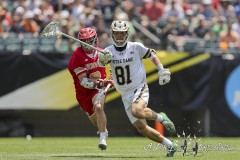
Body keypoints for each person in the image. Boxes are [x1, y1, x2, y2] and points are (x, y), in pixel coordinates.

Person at [98, 20, 177, 157]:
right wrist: (102, 59)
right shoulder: (108, 51)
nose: (119, 36)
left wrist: (161, 69)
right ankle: (170, 145)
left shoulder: (135, 47)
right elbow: (100, 63)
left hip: (139, 87)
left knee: (137, 111)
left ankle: (161, 117)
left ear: (127, 34)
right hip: (125, 94)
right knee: (142, 128)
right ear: (112, 34)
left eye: (122, 34)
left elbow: (152, 54)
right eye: (116, 33)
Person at [68, 27, 113, 150]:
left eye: (89, 40)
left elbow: (114, 66)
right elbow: (84, 82)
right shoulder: (77, 55)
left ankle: (102, 138)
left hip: (99, 89)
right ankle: (103, 130)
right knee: (96, 121)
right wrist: (101, 83)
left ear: (95, 39)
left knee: (98, 107)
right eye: (84, 40)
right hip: (84, 92)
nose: (87, 43)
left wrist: (111, 77)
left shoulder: (102, 52)